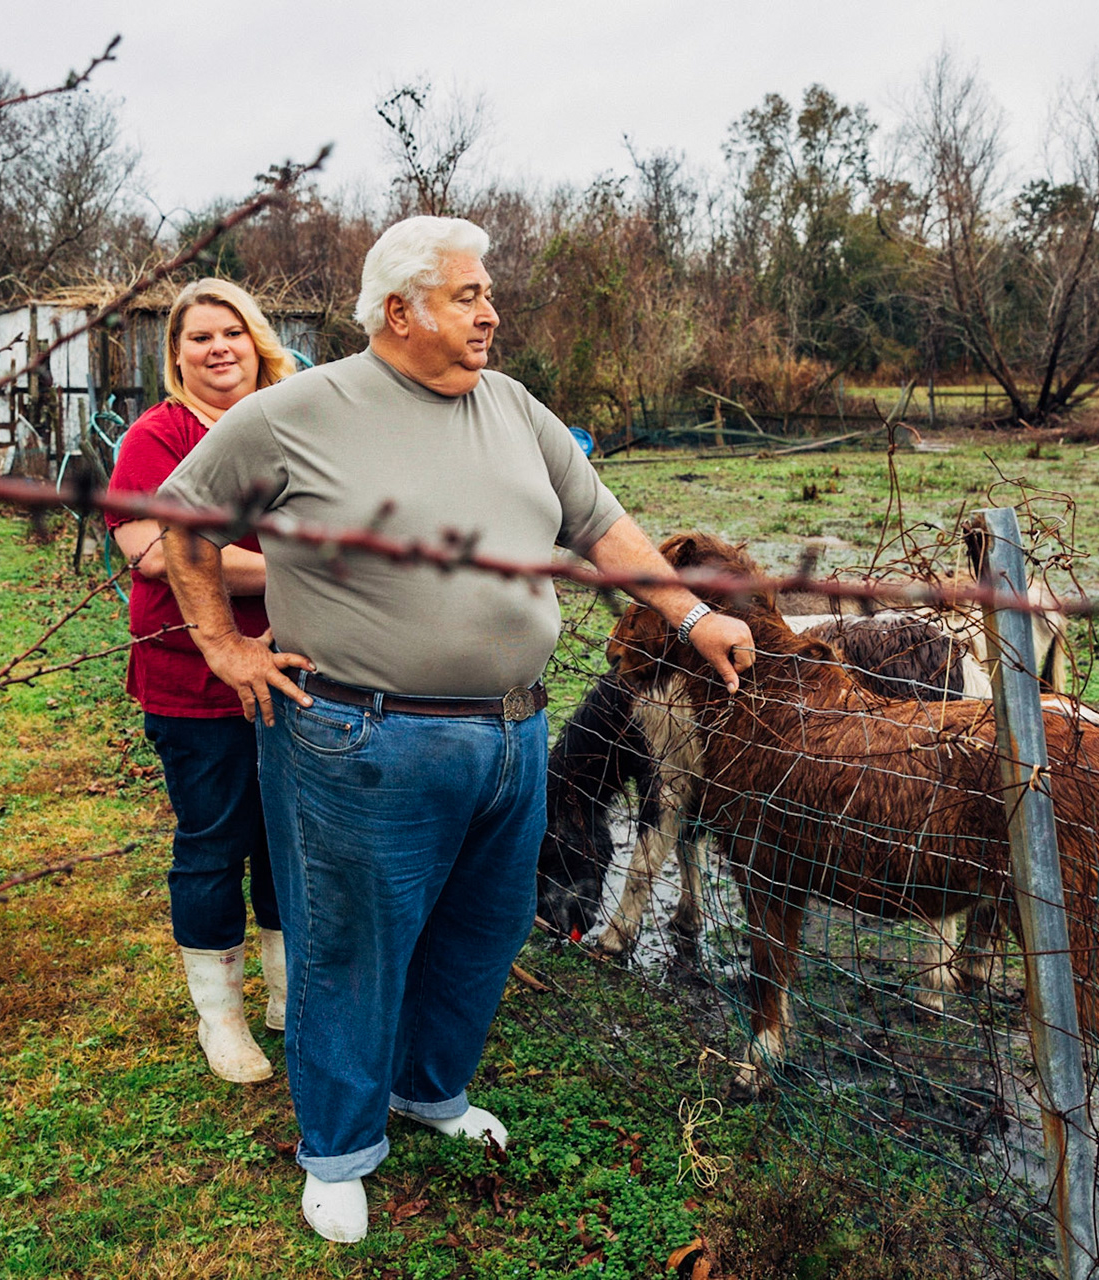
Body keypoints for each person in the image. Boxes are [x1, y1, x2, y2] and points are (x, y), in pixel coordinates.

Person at [155, 216, 753, 1243]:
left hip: (512, 734)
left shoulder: (515, 408)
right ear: (401, 312)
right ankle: (338, 1150)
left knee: (482, 932)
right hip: (360, 740)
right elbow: (183, 515)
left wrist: (694, 616)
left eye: (487, 293)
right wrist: (223, 645)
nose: (491, 311)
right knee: (350, 947)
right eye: (470, 294)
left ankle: (428, 1091)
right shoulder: (300, 408)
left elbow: (601, 523)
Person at [107, 279, 296, 1084]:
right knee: (215, 838)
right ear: (176, 354)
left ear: (257, 340)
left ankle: (294, 996)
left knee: (289, 838)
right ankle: (220, 1018)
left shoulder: (294, 416)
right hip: (195, 679)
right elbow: (154, 552)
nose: (219, 348)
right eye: (199, 338)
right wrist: (302, 571)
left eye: (233, 332)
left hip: (298, 671)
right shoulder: (158, 438)